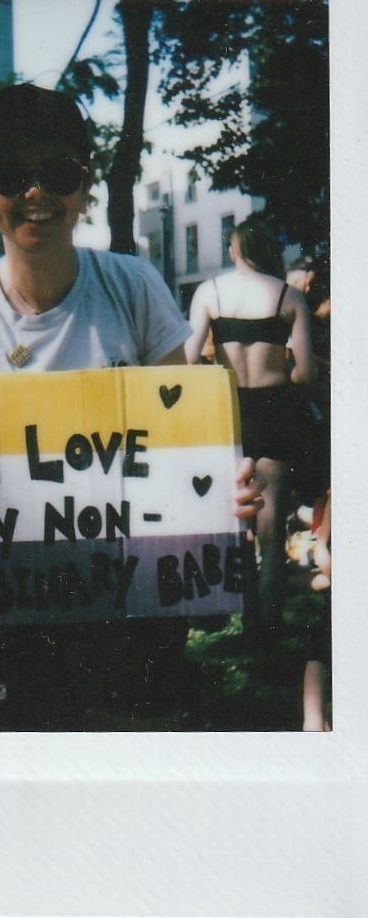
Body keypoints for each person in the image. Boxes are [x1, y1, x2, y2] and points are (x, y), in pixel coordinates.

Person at [0, 83, 263, 727]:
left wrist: (226, 488)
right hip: (7, 612)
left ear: (83, 187)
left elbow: (186, 436)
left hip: (130, 602)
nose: (36, 193)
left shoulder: (134, 286)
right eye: (11, 175)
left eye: (57, 173)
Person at [185, 217, 316, 643]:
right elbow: (307, 374)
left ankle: (244, 615)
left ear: (233, 250)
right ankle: (269, 626)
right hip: (277, 408)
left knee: (234, 516)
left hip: (228, 409)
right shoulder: (290, 296)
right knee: (271, 523)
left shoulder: (210, 292)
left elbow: (187, 360)